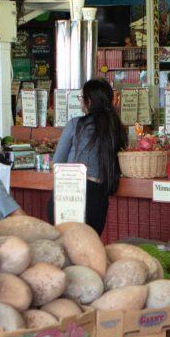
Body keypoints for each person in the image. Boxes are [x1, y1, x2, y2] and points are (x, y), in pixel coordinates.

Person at [52, 78, 123, 233]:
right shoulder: (116, 127)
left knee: (63, 248)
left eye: (81, 98)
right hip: (97, 198)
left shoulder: (76, 124)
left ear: (89, 101)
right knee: (87, 250)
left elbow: (57, 162)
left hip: (69, 193)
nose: (80, 102)